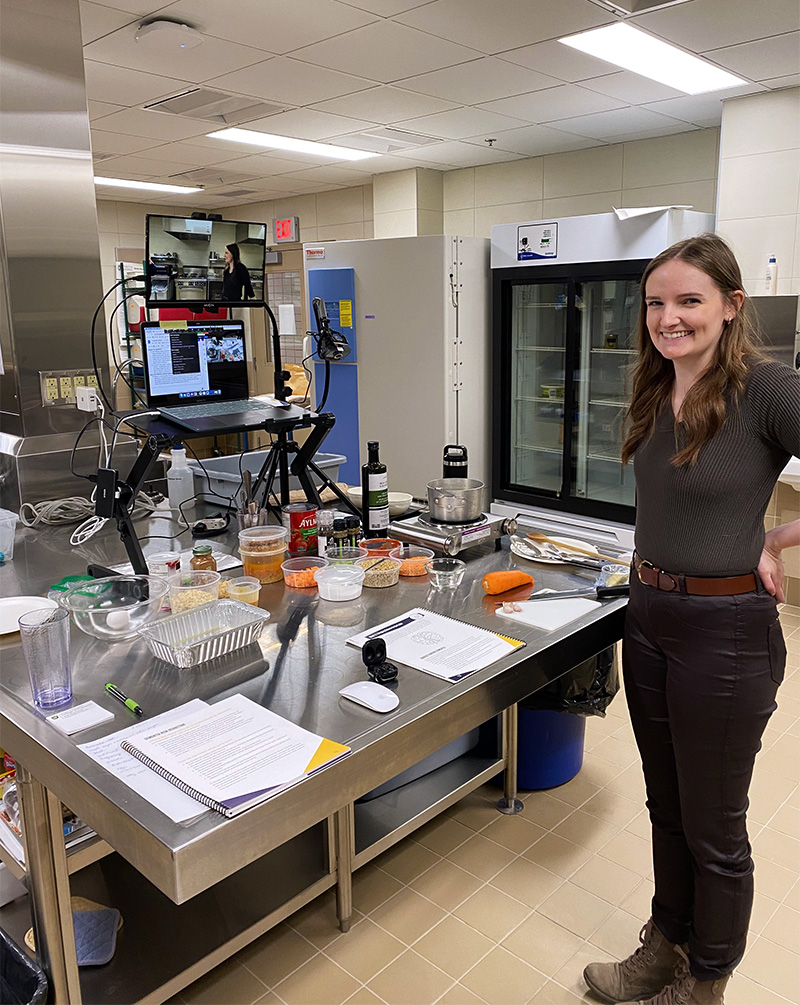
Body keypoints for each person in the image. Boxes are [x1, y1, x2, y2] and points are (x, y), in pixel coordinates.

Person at [583, 233, 800, 1005]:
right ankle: (664, 945)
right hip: (648, 617)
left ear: (732, 305)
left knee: (714, 824)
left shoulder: (768, 389)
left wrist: (775, 536)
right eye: (655, 303)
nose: (667, 318)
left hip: (725, 632)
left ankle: (706, 982)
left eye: (688, 301)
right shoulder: (654, 385)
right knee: (666, 805)